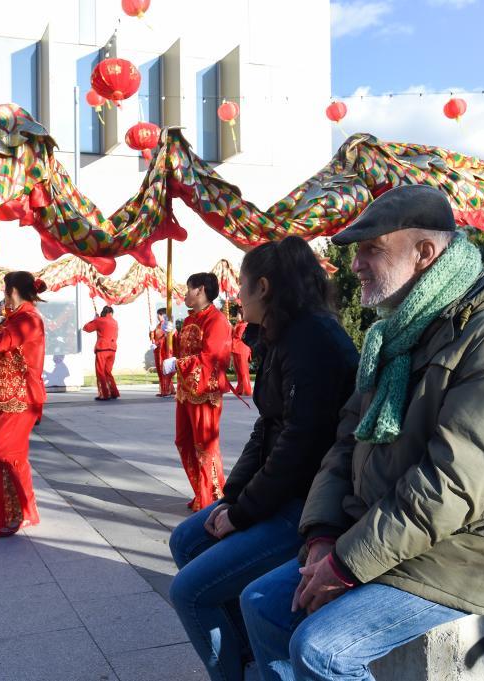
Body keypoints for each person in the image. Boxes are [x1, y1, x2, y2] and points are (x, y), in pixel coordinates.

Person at [240, 184, 484, 680]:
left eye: (372, 249)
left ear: (424, 253)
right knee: (261, 603)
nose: (356, 265)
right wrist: (322, 533)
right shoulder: (396, 332)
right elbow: (346, 442)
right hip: (387, 530)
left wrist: (347, 563)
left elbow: (452, 485)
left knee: (323, 650)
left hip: (470, 550)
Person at [169, 236, 360, 681]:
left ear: (264, 287)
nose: (237, 294)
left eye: (242, 284)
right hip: (282, 491)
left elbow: (300, 445)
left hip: (309, 503)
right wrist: (232, 499)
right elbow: (267, 425)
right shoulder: (282, 334)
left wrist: (243, 512)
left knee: (188, 593)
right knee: (187, 540)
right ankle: (243, 657)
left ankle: (235, 670)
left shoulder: (313, 340)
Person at [0, 272, 47, 536]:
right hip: (9, 398)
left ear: (13, 291)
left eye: (5, 291)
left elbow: (0, 341)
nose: (3, 296)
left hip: (22, 399)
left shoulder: (28, 319)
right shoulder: (14, 318)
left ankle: (10, 515)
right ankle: (25, 511)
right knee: (15, 457)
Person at [162, 272, 233, 512]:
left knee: (205, 446)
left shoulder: (217, 321)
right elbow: (184, 350)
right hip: (186, 392)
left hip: (204, 393)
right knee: (183, 441)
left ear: (200, 290)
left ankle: (212, 498)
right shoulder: (191, 319)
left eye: (188, 289)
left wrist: (178, 365)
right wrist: (170, 335)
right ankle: (201, 493)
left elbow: (211, 358)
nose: (185, 294)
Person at [83, 305, 120, 401]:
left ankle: (104, 394)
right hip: (112, 349)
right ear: (111, 313)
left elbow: (86, 328)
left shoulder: (100, 320)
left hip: (102, 349)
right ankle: (113, 392)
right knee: (108, 372)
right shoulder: (115, 322)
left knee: (100, 372)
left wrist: (94, 319)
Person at [230, 305, 253, 397]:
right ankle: (240, 388)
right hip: (236, 349)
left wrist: (231, 328)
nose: (236, 316)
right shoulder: (239, 324)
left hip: (241, 349)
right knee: (239, 372)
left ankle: (247, 389)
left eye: (238, 314)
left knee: (243, 371)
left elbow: (239, 337)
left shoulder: (244, 325)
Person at [152, 307, 175, 397]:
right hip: (158, 350)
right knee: (162, 370)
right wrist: (151, 332)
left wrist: (156, 343)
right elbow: (155, 337)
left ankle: (166, 390)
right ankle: (169, 389)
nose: (158, 316)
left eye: (159, 314)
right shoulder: (158, 325)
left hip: (163, 350)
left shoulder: (165, 325)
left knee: (163, 370)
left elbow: (165, 338)